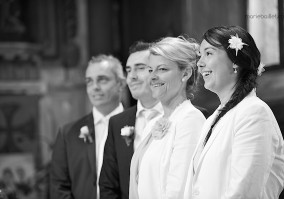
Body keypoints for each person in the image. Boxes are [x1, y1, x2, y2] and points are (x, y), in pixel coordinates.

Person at [184, 26, 284, 198]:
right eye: (200, 55)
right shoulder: (213, 119)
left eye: (208, 53)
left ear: (235, 62)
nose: (199, 63)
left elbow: (244, 191)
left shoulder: (254, 113)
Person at [129, 36, 206, 199]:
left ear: (185, 73)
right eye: (150, 70)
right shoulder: (152, 124)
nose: (153, 76)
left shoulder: (190, 120)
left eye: (162, 69)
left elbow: (178, 189)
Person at [50, 54, 126, 199]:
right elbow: (58, 187)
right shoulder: (68, 134)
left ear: (121, 84)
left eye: (102, 80)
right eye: (89, 82)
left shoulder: (139, 125)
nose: (95, 87)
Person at [99, 41, 163, 199]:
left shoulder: (182, 116)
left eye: (140, 68)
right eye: (128, 70)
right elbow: (108, 185)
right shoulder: (117, 123)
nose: (132, 77)